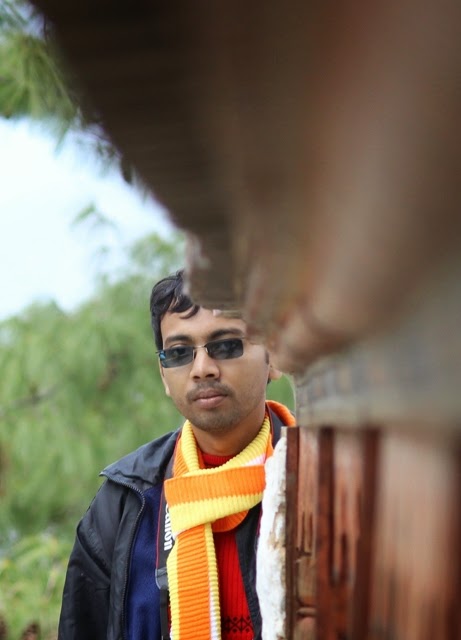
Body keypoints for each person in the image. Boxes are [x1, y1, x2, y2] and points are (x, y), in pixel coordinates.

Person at [58, 269, 295, 640]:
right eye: (179, 353)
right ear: (163, 373)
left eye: (226, 345)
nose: (202, 369)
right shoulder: (126, 503)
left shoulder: (322, 483)